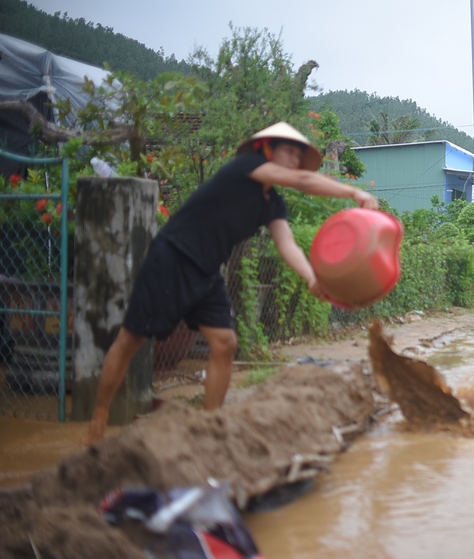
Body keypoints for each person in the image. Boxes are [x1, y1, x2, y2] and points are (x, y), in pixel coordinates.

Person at [85, 121, 378, 444]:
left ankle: (211, 428)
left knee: (224, 343)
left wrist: (311, 278)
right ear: (267, 149)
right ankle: (99, 414)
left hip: (208, 271)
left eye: (299, 154)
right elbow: (302, 180)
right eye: (289, 151)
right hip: (173, 256)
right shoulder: (247, 166)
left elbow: (287, 244)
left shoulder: (272, 203)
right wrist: (353, 191)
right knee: (131, 340)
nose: (295, 160)